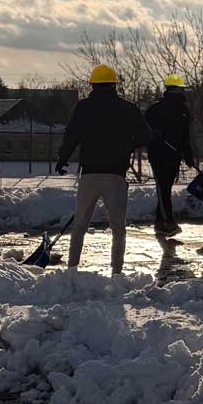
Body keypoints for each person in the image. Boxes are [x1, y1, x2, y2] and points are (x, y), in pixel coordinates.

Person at [55, 64, 151, 273]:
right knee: (118, 228)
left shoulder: (83, 107)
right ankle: (116, 272)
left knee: (80, 224)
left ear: (93, 85)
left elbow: (72, 135)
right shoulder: (128, 108)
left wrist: (62, 158)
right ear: (114, 85)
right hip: (116, 175)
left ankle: (72, 268)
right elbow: (146, 136)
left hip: (89, 174)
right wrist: (128, 145)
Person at [144, 74, 194, 236]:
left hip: (172, 154)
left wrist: (187, 155)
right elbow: (145, 130)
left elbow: (184, 136)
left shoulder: (180, 110)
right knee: (164, 187)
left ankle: (160, 221)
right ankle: (169, 222)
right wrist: (155, 135)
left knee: (165, 187)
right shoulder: (156, 110)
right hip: (160, 153)